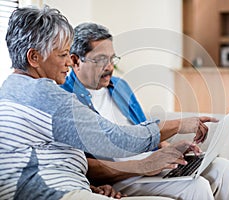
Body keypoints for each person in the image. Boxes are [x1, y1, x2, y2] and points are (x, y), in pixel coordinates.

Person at [0, 6, 204, 200]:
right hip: (51, 192)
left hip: (62, 186)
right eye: (63, 55)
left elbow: (47, 156)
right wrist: (180, 124)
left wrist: (89, 186)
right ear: (34, 57)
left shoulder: (14, 89)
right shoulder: (42, 94)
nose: (69, 62)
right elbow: (113, 139)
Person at [61, 22, 229, 200]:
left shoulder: (120, 86)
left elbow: (144, 131)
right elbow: (83, 165)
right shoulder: (65, 100)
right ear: (76, 60)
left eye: (112, 59)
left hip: (151, 162)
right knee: (197, 187)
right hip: (124, 175)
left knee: (225, 169)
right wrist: (143, 165)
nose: (109, 67)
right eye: (101, 60)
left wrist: (169, 149)